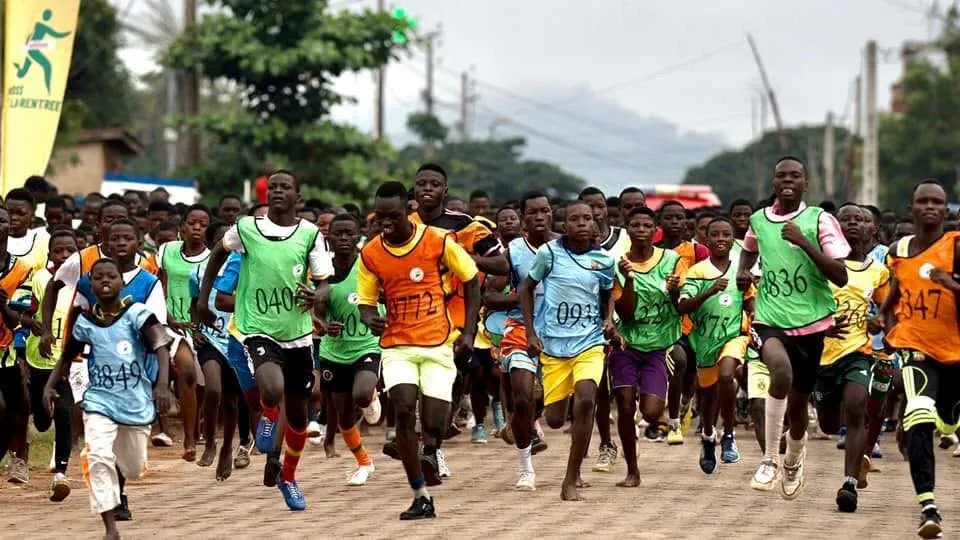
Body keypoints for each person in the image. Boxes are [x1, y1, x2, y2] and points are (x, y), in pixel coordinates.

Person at [199, 170, 332, 511]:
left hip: (298, 333)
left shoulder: (310, 234)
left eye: (284, 187)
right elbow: (216, 253)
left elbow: (323, 284)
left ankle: (287, 476)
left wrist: (314, 297)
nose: (277, 191)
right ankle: (270, 416)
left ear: (297, 196)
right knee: (271, 388)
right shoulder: (246, 228)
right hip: (257, 328)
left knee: (300, 418)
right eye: (272, 187)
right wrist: (204, 298)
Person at [357, 181, 480, 519]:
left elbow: (471, 280)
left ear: (408, 210)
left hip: (438, 344)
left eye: (393, 216)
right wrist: (370, 319)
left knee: (435, 424)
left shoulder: (437, 241)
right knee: (403, 407)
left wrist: (469, 331)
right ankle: (420, 494)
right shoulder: (371, 253)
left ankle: (431, 450)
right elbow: (366, 303)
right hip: (398, 346)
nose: (386, 223)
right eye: (380, 217)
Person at [737, 156, 850, 499]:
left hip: (811, 324)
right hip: (769, 318)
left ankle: (794, 459)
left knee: (799, 406)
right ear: (774, 182)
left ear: (805, 183)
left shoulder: (820, 220)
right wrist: (744, 273)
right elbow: (748, 250)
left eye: (795, 176)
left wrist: (803, 241)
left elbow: (840, 275)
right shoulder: (758, 219)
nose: (787, 180)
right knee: (780, 374)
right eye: (781, 176)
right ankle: (769, 459)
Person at [43, 258, 173, 540]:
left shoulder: (138, 314)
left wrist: (162, 384)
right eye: (97, 277)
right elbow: (67, 356)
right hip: (99, 400)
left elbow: (161, 345)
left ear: (121, 282)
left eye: (110, 276)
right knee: (99, 454)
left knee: (132, 466)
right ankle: (110, 527)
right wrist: (50, 386)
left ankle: (117, 480)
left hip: (136, 401)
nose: (104, 281)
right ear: (89, 284)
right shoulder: (85, 322)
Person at [404, 163, 505, 479]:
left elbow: (501, 263)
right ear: (415, 189)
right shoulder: (405, 225)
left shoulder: (466, 226)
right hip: (415, 315)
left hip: (458, 319)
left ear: (445, 190)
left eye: (435, 183)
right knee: (424, 384)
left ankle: (435, 444)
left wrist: (467, 259)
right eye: (422, 183)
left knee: (451, 383)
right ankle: (429, 449)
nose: (428, 189)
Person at [519, 200, 616, 501]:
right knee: (556, 419)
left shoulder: (604, 260)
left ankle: (571, 478)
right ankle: (524, 419)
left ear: (595, 223)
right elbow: (525, 289)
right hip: (555, 346)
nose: (582, 224)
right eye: (574, 219)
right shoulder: (549, 254)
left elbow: (608, 292)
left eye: (587, 218)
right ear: (564, 224)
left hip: (589, 342)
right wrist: (530, 332)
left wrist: (609, 319)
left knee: (586, 398)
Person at [878, 180, 960, 538]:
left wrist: (951, 284)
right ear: (911, 208)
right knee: (920, 414)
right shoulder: (898, 249)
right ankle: (928, 506)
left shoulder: (956, 248)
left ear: (947, 211)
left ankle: (948, 422)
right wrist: (882, 314)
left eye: (936, 202)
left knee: (945, 420)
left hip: (955, 352)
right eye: (922, 201)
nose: (929, 207)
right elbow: (899, 288)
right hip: (914, 345)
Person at [813, 203, 890, 513]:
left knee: (857, 407)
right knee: (830, 425)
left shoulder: (879, 271)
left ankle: (848, 484)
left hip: (859, 351)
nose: (853, 224)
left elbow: (890, 311)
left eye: (860, 220)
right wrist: (821, 326)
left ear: (871, 229)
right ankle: (857, 454)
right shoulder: (820, 267)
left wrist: (881, 321)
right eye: (846, 220)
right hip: (821, 356)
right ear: (834, 228)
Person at [485, 191, 557, 490]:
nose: (539, 217)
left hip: (562, 330)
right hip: (519, 328)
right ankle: (525, 465)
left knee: (562, 409)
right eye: (532, 213)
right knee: (523, 394)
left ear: (551, 213)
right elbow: (490, 295)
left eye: (544, 211)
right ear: (523, 218)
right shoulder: (514, 251)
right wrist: (522, 296)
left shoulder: (566, 247)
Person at [611, 207, 683, 486]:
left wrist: (676, 289)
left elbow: (681, 306)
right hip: (626, 345)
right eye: (636, 226)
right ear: (628, 230)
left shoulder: (672, 260)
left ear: (656, 231)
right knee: (626, 406)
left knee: (651, 412)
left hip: (659, 346)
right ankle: (632, 469)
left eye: (646, 226)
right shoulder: (619, 264)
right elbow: (625, 313)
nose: (641, 230)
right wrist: (629, 280)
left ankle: (660, 416)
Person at [678, 217, 752, 474]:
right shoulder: (698, 271)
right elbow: (682, 306)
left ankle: (729, 435)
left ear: (734, 239)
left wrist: (755, 324)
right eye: (715, 235)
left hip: (734, 336)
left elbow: (750, 300)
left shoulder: (741, 270)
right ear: (706, 240)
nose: (721, 239)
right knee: (707, 395)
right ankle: (709, 437)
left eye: (726, 234)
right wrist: (708, 291)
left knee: (727, 375)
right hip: (705, 340)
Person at [316, 214, 381, 486]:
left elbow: (384, 295)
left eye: (348, 234)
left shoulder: (369, 265)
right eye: (337, 234)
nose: (343, 238)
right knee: (343, 416)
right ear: (328, 237)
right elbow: (315, 313)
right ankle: (364, 463)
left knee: (362, 395)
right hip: (334, 351)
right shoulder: (321, 271)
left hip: (366, 344)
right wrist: (323, 325)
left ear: (358, 237)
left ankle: (372, 394)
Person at [25, 229, 79, 500]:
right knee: (43, 419)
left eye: (70, 250)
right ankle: (40, 421)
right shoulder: (39, 279)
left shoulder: (84, 282)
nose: (65, 255)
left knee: (65, 412)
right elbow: (26, 312)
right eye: (59, 251)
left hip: (68, 361)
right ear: (50, 255)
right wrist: (34, 327)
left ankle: (61, 472)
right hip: (39, 359)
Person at [578, 186, 628, 470]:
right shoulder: (571, 243)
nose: (594, 212)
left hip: (623, 320)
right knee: (598, 386)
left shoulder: (623, 237)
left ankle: (623, 439)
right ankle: (606, 444)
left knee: (621, 391)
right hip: (587, 323)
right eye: (588, 207)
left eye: (599, 206)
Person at [156, 204, 211, 462]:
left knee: (199, 383)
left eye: (202, 224)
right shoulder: (166, 250)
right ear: (183, 226)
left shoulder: (212, 258)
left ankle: (193, 429)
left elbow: (206, 298)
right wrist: (168, 317)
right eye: (192, 223)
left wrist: (198, 326)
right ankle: (184, 436)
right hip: (165, 322)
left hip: (197, 326)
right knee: (185, 369)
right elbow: (159, 286)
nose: (197, 228)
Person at [657, 200, 709, 444]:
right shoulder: (652, 250)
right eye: (670, 218)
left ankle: (687, 400)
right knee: (678, 361)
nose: (675, 222)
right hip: (663, 322)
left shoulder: (697, 252)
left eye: (680, 218)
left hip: (693, 321)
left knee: (690, 373)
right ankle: (672, 422)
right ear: (660, 222)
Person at [0, 206, 40, 484]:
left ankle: (19, 457)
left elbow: (23, 318)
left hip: (7, 349)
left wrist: (3, 306)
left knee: (18, 406)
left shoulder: (22, 270)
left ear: (8, 227)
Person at [6, 188, 50, 273]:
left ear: (32, 217)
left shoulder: (42, 241)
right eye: (9, 212)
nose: (13, 217)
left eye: (21, 213)